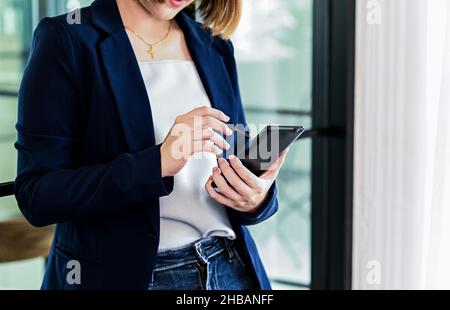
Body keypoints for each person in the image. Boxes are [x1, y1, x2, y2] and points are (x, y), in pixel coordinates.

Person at [15, 0, 287, 290]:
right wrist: (158, 162)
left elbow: (232, 156)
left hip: (230, 268)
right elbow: (38, 195)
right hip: (130, 278)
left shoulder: (213, 45)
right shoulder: (66, 38)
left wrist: (256, 198)